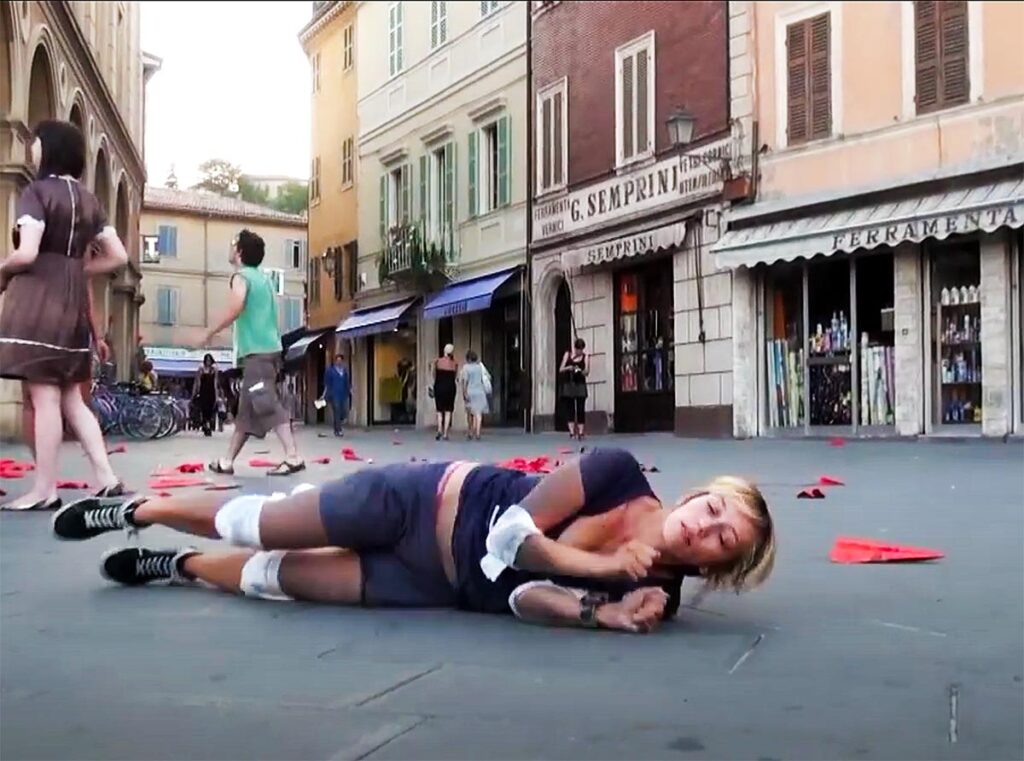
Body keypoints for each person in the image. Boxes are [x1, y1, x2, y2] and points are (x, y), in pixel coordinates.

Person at [52, 447, 775, 634]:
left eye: (723, 536)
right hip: (419, 501)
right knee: (261, 522)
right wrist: (605, 564)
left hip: (435, 587)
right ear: (695, 492)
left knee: (272, 578)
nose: (705, 525)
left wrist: (604, 612)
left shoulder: (656, 596)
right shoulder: (616, 472)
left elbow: (523, 597)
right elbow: (513, 539)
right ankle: (143, 509)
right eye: (714, 506)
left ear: (724, 566)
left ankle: (171, 562)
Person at [0, 120, 129, 510]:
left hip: (38, 300)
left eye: (36, 142)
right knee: (72, 396)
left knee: (44, 396)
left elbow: (27, 253)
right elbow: (119, 256)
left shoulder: (37, 193)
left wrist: (3, 271)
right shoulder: (90, 200)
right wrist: (76, 267)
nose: (33, 148)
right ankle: (106, 477)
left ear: (48, 148)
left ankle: (45, 489)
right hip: (72, 300)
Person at [203, 229, 305, 476]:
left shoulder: (242, 278)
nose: (230, 248)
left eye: (232, 243)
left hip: (258, 353)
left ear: (239, 251)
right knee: (247, 413)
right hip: (268, 350)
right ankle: (227, 461)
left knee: (266, 402)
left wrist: (210, 331)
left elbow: (237, 306)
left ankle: (292, 457)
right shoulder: (264, 279)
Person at [560, 338, 589, 441]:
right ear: (575, 348)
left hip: (580, 384)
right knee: (570, 408)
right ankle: (572, 432)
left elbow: (587, 372)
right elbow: (561, 369)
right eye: (578, 349)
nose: (580, 351)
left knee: (581, 408)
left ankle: (581, 432)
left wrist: (580, 370)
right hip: (569, 384)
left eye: (581, 349)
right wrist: (569, 368)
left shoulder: (585, 357)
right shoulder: (568, 355)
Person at [459, 349, 491, 441]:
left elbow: (465, 381)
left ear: (468, 358)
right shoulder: (479, 367)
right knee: (478, 413)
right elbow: (486, 377)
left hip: (470, 391)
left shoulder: (466, 368)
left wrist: (464, 393)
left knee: (470, 413)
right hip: (480, 391)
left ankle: (470, 432)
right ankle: (478, 432)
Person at [431, 344, 458, 441]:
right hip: (450, 387)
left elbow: (433, 374)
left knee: (439, 410)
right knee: (448, 410)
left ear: (444, 351)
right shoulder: (454, 363)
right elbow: (455, 376)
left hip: (439, 386)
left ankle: (439, 429)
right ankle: (445, 433)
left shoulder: (437, 361)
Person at [320, 353, 351, 437]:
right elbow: (327, 384)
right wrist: (324, 394)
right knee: (337, 411)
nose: (339, 362)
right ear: (335, 361)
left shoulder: (344, 371)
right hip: (333, 394)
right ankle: (338, 430)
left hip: (343, 394)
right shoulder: (330, 371)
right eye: (338, 360)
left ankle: (337, 426)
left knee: (344, 412)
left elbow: (347, 382)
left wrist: (349, 391)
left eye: (340, 360)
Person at [192, 353, 220, 437]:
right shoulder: (201, 369)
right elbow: (198, 381)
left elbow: (215, 383)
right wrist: (195, 392)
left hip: (211, 392)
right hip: (203, 392)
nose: (208, 362)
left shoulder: (214, 370)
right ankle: (205, 425)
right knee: (204, 409)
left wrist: (217, 395)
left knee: (210, 410)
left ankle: (207, 425)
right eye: (207, 360)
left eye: (209, 360)